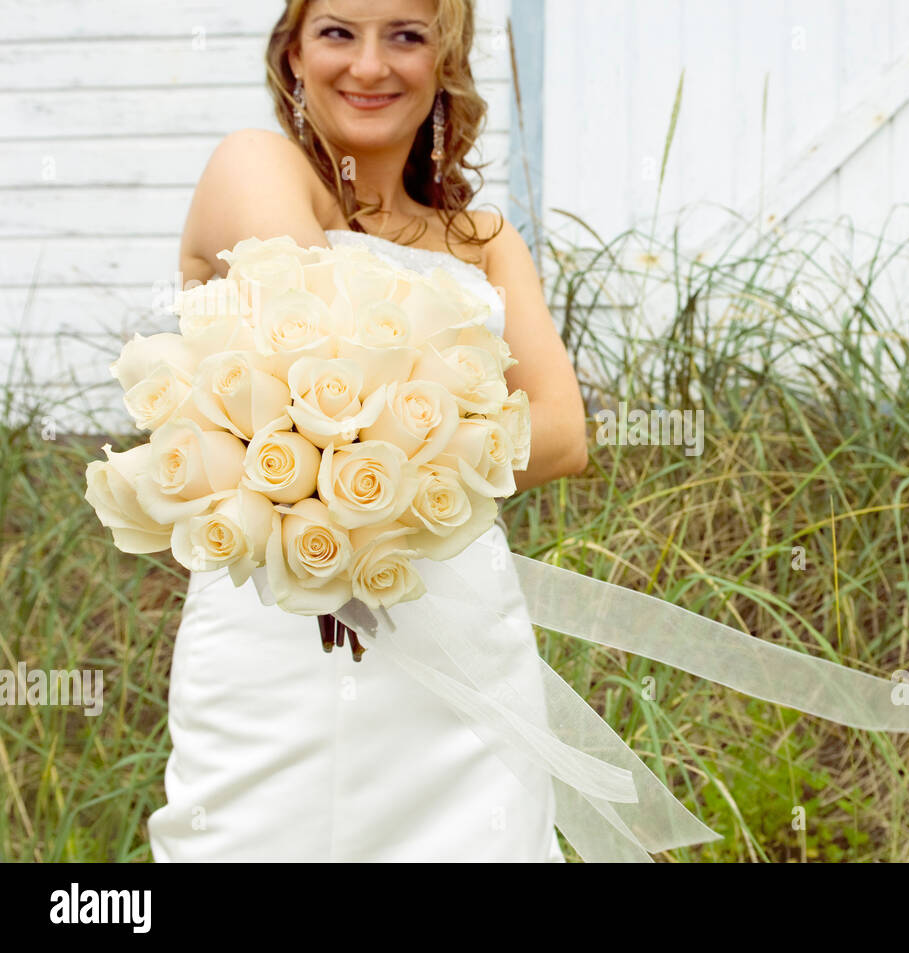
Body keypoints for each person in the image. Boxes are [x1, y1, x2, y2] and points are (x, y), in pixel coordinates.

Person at [149, 0, 585, 862]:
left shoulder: (487, 241)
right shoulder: (254, 166)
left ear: (444, 61)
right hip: (282, 638)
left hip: (462, 642)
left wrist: (383, 485)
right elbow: (325, 347)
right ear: (295, 56)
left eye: (407, 36)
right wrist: (461, 439)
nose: (371, 65)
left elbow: (565, 432)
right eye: (339, 32)